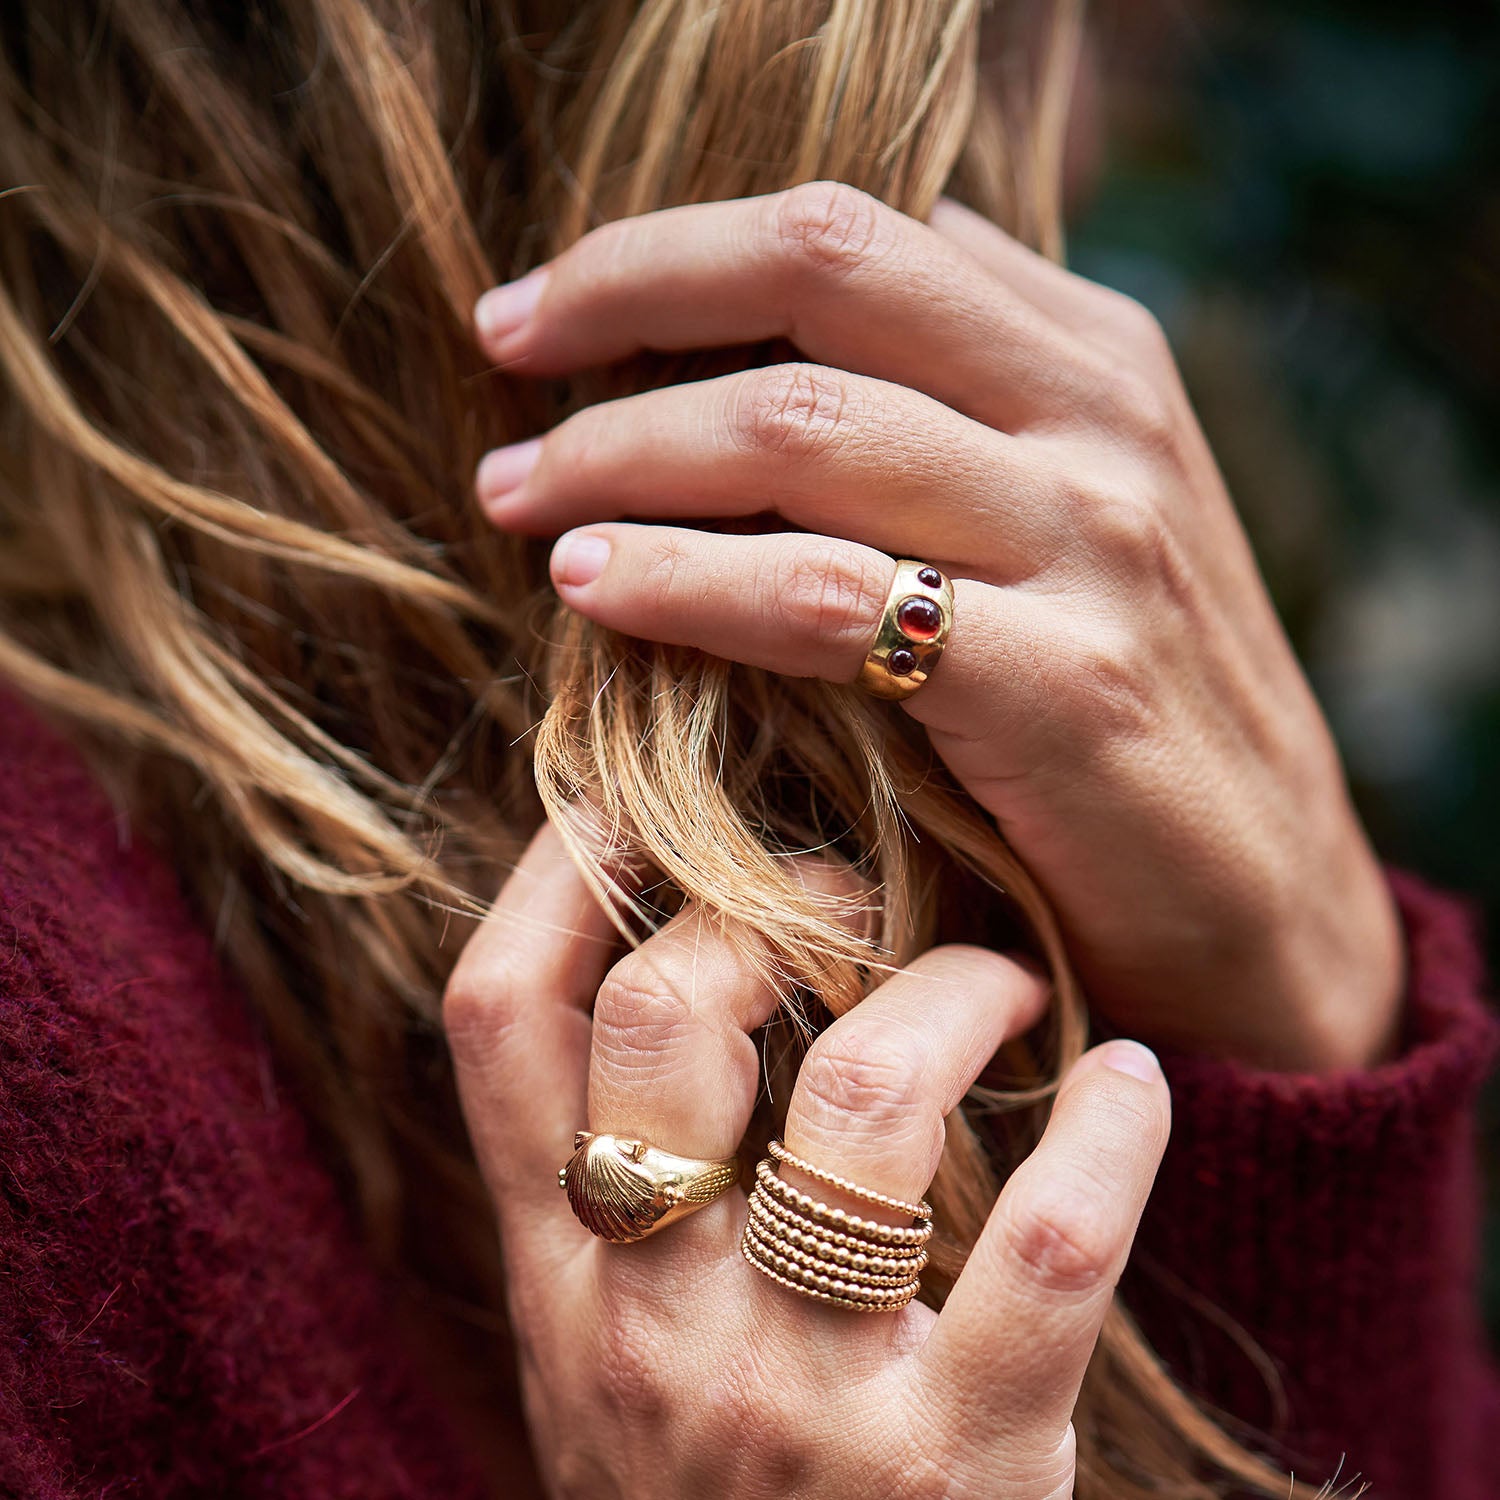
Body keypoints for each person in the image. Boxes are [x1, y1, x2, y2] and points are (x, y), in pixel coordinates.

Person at [0, 2, 1494, 1497]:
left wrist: (1303, 983)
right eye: (1036, 33)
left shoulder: (1040, 754)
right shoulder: (51, 1072)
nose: (1109, 115)